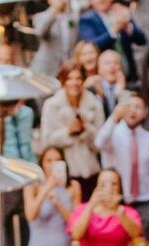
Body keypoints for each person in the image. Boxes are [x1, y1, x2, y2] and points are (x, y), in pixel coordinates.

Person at [95, 90, 149, 225]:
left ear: (144, 113)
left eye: (138, 107)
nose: (133, 110)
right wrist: (114, 117)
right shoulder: (113, 134)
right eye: (129, 106)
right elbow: (99, 143)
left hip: (144, 201)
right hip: (117, 200)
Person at [36, 60, 101, 189]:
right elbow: (46, 143)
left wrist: (85, 129)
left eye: (78, 78)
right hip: (64, 173)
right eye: (69, 79)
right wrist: (68, 132)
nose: (74, 83)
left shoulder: (94, 104)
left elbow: (99, 143)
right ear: (63, 81)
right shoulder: (52, 105)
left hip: (90, 170)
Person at [76, 0, 135, 68]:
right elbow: (92, 46)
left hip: (128, 71)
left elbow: (142, 40)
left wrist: (128, 26)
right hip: (104, 73)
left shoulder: (119, 11)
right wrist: (114, 30)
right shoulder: (86, 19)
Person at [26, 0, 75, 84]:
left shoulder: (72, 18)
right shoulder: (40, 17)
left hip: (66, 69)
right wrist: (54, 11)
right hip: (46, 68)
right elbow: (40, 32)